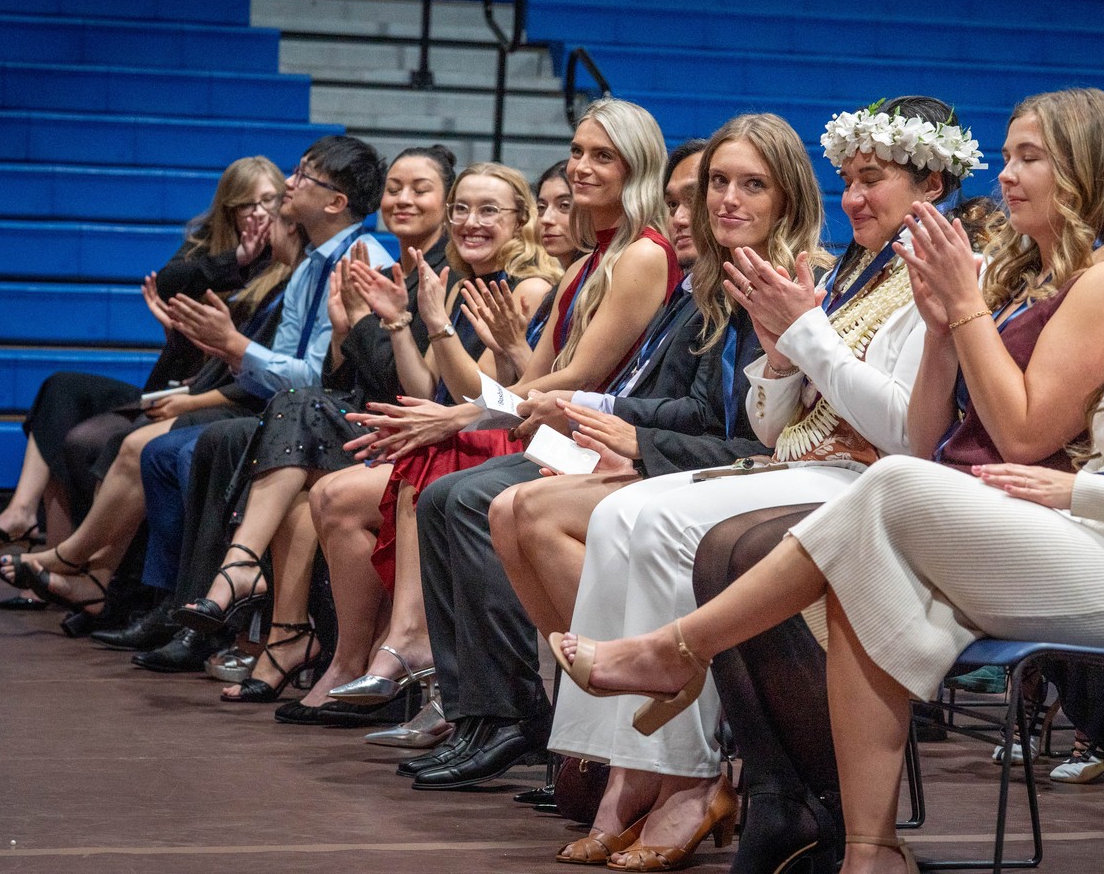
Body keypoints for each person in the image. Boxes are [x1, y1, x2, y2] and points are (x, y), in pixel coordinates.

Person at [555, 124, 1104, 874]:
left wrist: (1081, 490)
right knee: (867, 575)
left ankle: (678, 649)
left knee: (890, 483)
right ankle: (869, 850)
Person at [681, 87, 1104, 871]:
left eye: (1029, 158)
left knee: (787, 535)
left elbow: (1025, 432)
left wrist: (961, 312)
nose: (1004, 177)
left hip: (1040, 514)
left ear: (1086, 169)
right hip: (965, 491)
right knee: (730, 547)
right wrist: (942, 330)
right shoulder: (1026, 273)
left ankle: (729, 723)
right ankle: (828, 825)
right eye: (1005, 157)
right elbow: (933, 427)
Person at [534, 95, 988, 869]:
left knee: (671, 524)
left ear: (933, 185)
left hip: (878, 486)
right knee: (625, 516)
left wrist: (806, 338)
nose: (852, 198)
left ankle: (685, 778)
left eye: (871, 180)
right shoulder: (855, 268)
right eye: (846, 179)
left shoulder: (943, 275)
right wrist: (780, 359)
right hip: (809, 465)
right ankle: (628, 769)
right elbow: (778, 426)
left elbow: (909, 433)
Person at [497, 113, 845, 865]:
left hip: (779, 475)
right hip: (711, 460)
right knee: (512, 506)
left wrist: (638, 441)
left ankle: (680, 769)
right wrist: (612, 420)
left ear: (789, 196)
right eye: (717, 183)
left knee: (559, 512)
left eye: (750, 184)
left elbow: (759, 436)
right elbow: (698, 406)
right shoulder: (715, 275)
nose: (723, 200)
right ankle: (630, 757)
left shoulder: (795, 278)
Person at [273, 97, 678, 732]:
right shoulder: (586, 264)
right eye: (577, 152)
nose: (581, 168)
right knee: (442, 484)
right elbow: (527, 378)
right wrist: (434, 332)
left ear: (638, 167)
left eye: (603, 156)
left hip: (595, 440)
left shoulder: (643, 254)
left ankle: (494, 703)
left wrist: (458, 419)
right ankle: (466, 704)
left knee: (457, 489)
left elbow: (579, 380)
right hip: (559, 432)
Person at [0, 137, 392, 626]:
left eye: (303, 176)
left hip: (329, 417)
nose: (290, 183)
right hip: (286, 406)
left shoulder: (362, 262)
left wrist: (232, 347)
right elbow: (280, 361)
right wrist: (224, 346)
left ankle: (123, 582)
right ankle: (127, 586)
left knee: (170, 447)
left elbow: (317, 376)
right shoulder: (314, 262)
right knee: (144, 443)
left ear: (336, 202)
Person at [114, 148, 458, 676]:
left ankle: (244, 594)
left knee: (256, 426)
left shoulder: (401, 265)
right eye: (395, 188)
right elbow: (344, 369)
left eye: (420, 189)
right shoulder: (345, 266)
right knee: (211, 443)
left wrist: (354, 328)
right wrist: (345, 330)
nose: (402, 200)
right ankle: (211, 610)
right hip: (345, 408)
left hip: (397, 422)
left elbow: (409, 385)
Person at [0, 156, 286, 554]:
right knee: (61, 391)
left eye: (269, 200)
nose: (260, 212)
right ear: (229, 209)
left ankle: (82, 569)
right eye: (248, 203)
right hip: (170, 385)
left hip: (212, 396)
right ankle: (23, 516)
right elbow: (168, 283)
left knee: (85, 439)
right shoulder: (210, 249)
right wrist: (236, 262)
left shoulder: (283, 262)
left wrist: (187, 331)